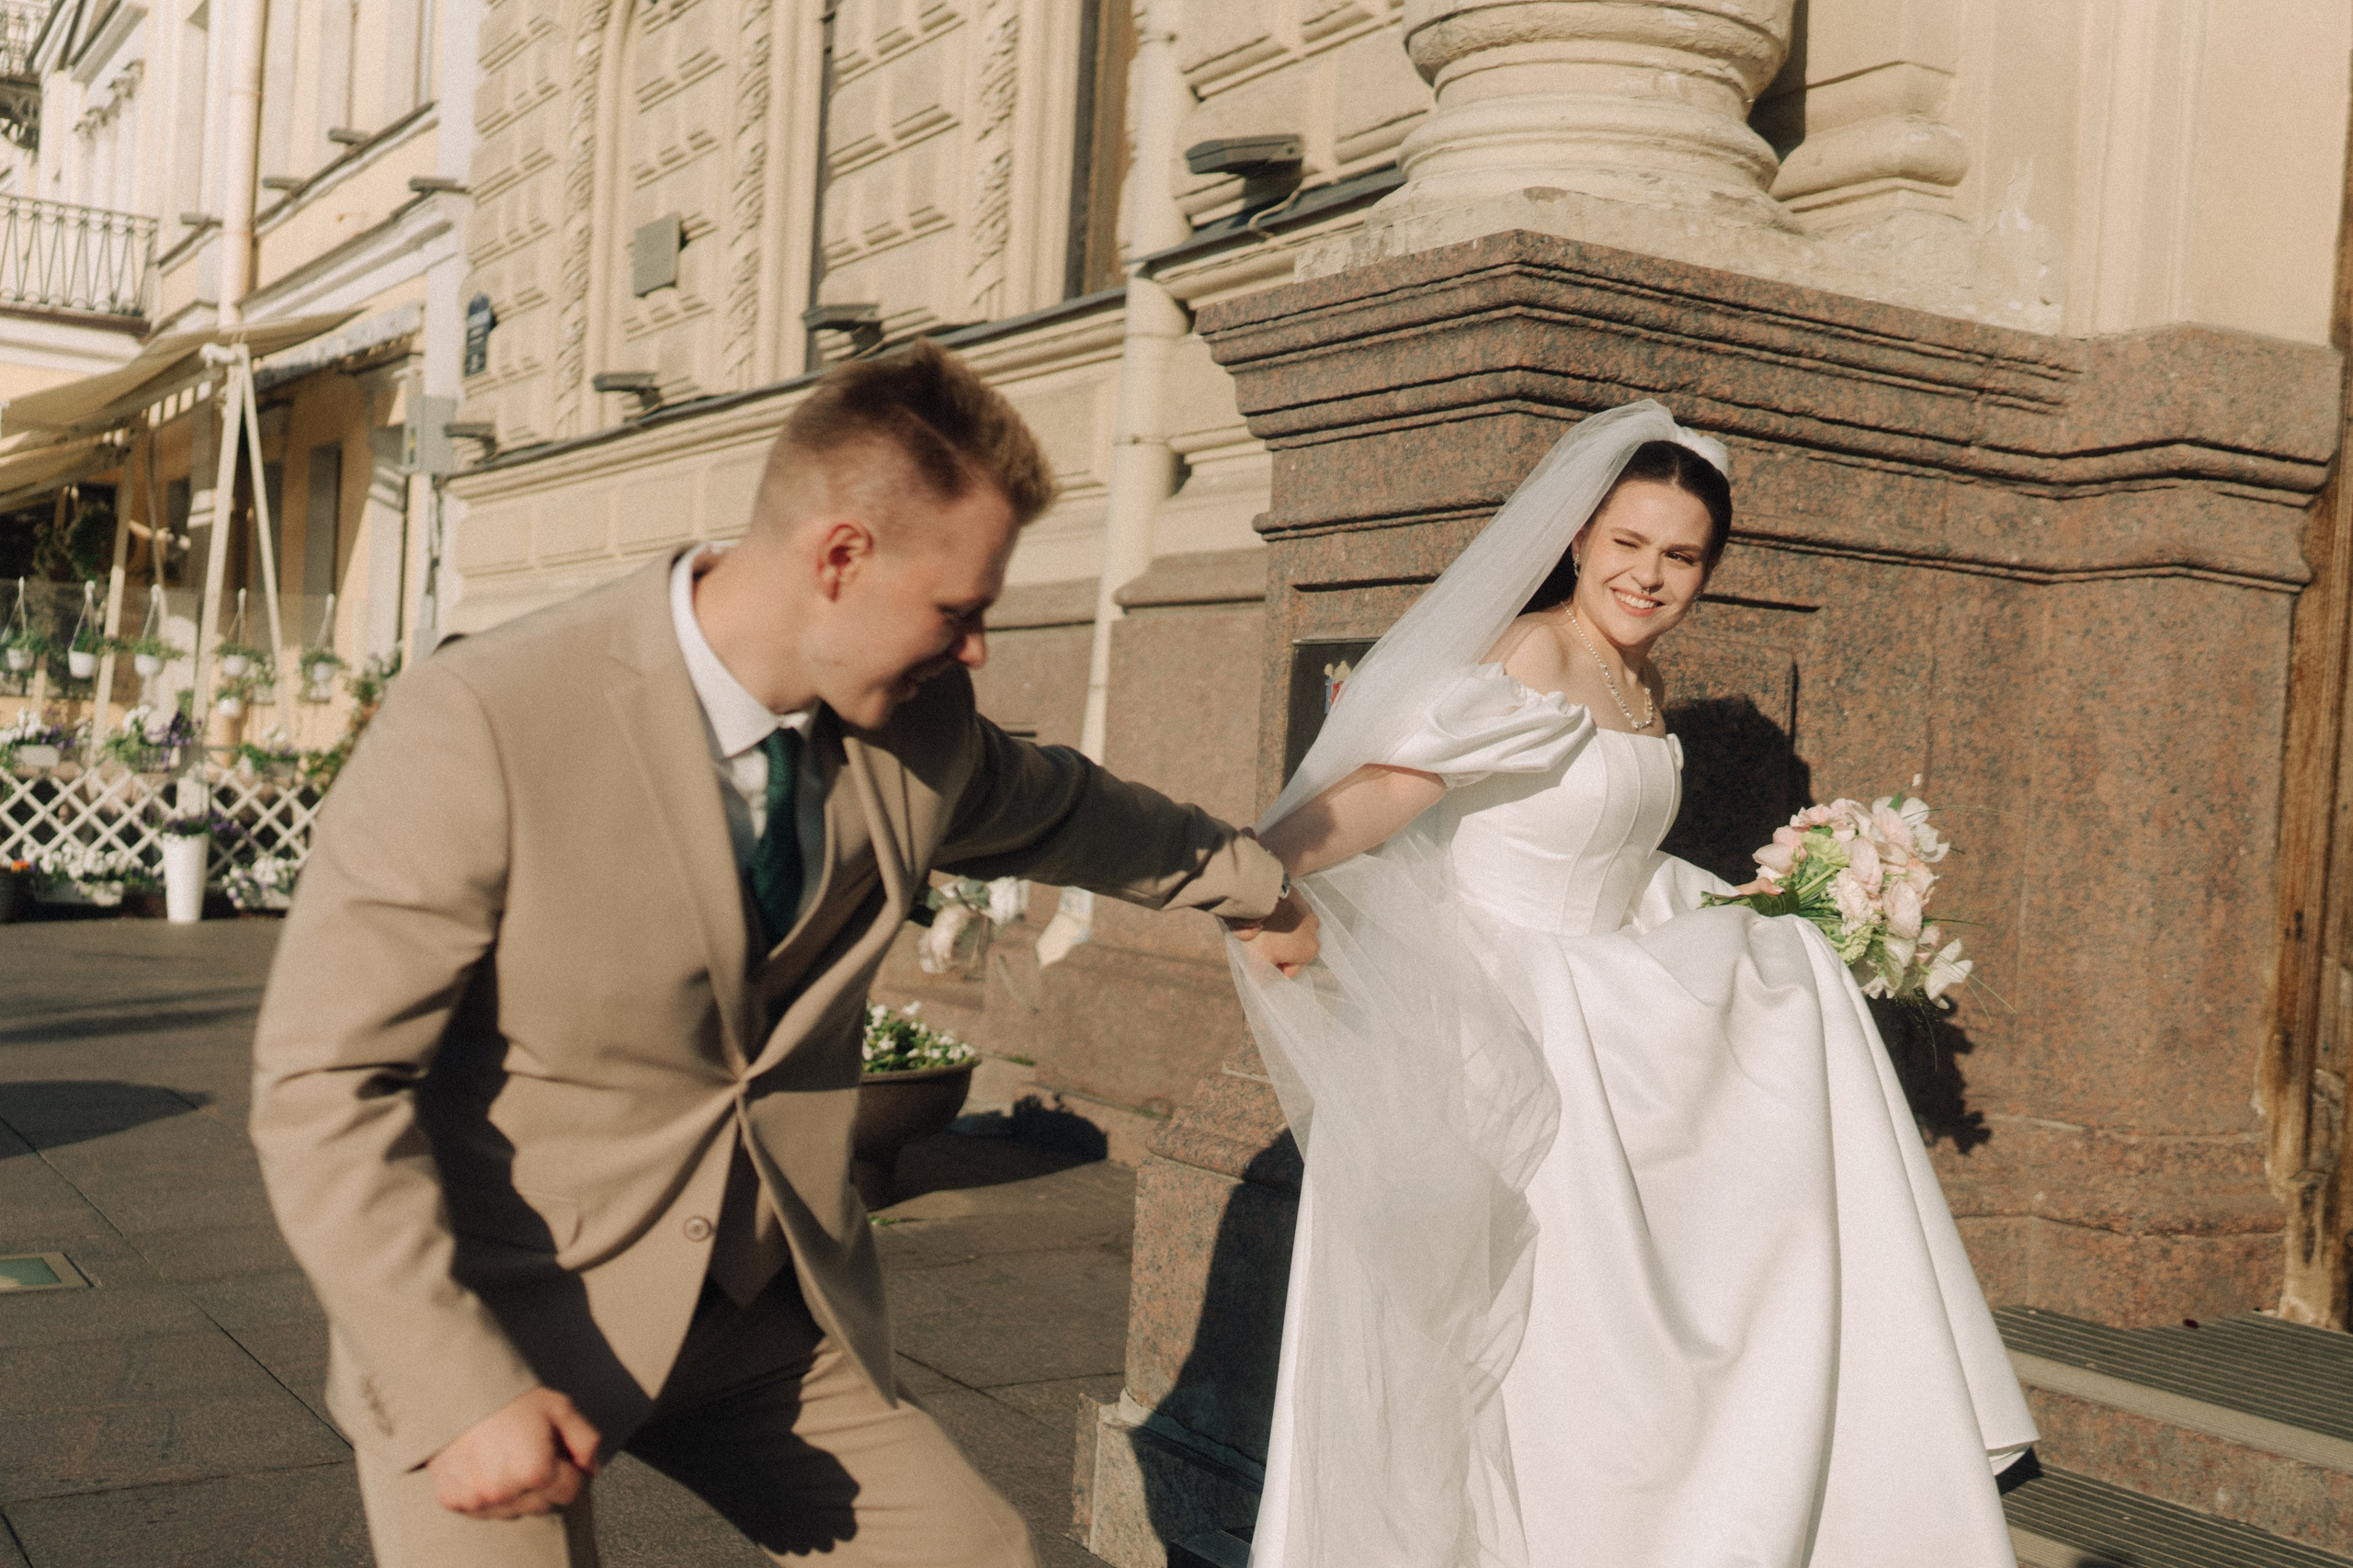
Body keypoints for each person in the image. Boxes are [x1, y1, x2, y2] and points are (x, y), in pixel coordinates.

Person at [248, 340, 1315, 1568]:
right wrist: (454, 1388)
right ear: (841, 557)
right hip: (498, 1311)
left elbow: (1068, 810)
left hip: (755, 1313)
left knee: (976, 1554)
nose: (976, 649)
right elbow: (322, 1084)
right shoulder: (485, 717)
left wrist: (1260, 889)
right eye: (959, 610)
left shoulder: (917, 728)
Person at [1228, 401, 2034, 1568]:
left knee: (1750, 1160)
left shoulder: (1637, 679)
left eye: (1680, 556)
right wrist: (1258, 874)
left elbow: (1611, 850)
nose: (1648, 575)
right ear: (1576, 538)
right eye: (1627, 543)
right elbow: (1392, 788)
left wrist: (1771, 917)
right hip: (1515, 1019)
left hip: (1605, 1000)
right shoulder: (1534, 655)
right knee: (1555, 1333)